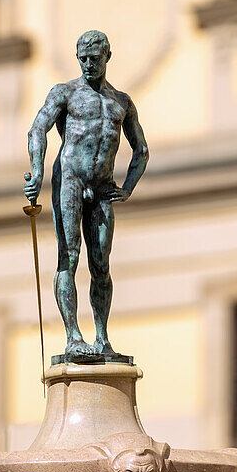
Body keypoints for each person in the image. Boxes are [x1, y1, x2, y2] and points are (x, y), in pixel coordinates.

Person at [24, 30, 149, 362]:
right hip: (70, 180)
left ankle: (102, 339)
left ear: (108, 55)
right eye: (83, 58)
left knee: (101, 265)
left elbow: (142, 150)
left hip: (104, 187)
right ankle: (73, 337)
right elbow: (38, 128)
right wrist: (36, 171)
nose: (89, 64)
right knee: (69, 257)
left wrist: (127, 188)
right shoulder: (65, 93)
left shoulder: (121, 101)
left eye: (95, 57)